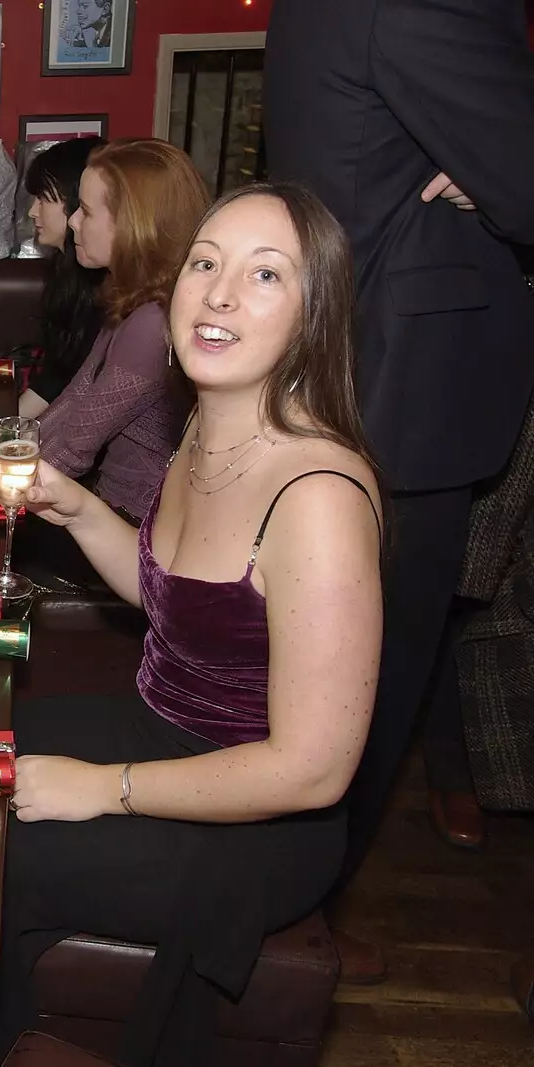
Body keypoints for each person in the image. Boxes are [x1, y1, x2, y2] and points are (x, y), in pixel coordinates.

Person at [0, 183, 383, 1064]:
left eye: (265, 274)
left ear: (315, 315)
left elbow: (314, 770)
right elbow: (172, 602)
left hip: (259, 817)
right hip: (166, 726)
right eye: (204, 263)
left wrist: (101, 786)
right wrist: (72, 507)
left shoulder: (319, 497)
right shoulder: (206, 428)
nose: (219, 293)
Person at [265, 0, 534, 979]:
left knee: (339, 687)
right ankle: (284, 927)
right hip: (398, 400)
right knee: (364, 699)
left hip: (363, 381)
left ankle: (290, 920)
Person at [34, 139, 209, 520]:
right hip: (110, 510)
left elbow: (75, 449)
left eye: (85, 210)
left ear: (133, 225)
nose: (74, 221)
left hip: (137, 530)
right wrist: (10, 450)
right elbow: (74, 399)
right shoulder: (133, 299)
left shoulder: (152, 321)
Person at [16, 137, 107, 419]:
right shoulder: (66, 275)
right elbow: (55, 379)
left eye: (43, 198)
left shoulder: (103, 289)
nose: (32, 211)